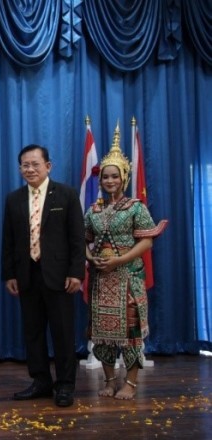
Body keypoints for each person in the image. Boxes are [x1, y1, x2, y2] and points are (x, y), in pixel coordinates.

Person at [84, 129, 167, 400]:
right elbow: (83, 241)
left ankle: (130, 384)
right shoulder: (93, 210)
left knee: (131, 335)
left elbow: (147, 242)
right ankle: (110, 381)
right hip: (101, 280)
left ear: (124, 177)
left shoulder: (135, 207)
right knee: (103, 335)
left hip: (128, 279)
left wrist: (120, 259)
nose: (109, 180)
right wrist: (89, 256)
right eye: (105, 176)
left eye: (114, 176)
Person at [1, 144, 85, 408]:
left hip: (59, 276)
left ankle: (65, 385)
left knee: (62, 333)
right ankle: (40, 381)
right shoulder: (13, 199)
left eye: (35, 164)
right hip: (27, 275)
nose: (30, 169)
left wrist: (76, 272)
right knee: (33, 332)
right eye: (25, 165)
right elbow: (9, 240)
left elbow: (77, 238)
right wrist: (9, 274)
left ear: (48, 166)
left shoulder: (67, 195)